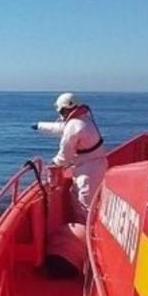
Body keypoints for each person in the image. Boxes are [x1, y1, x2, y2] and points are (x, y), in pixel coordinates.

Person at [32, 92, 107, 222]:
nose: (60, 114)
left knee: (85, 204)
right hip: (92, 165)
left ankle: (87, 235)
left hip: (89, 170)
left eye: (61, 110)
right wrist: (40, 126)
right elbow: (61, 128)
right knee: (81, 198)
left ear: (66, 108)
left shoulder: (75, 126)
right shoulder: (83, 120)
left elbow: (65, 154)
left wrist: (54, 163)